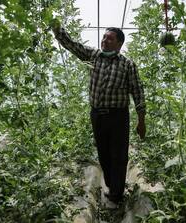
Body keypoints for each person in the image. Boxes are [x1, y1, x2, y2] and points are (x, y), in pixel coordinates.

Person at [51, 19, 146, 204]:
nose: (104, 41)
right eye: (103, 37)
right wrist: (57, 28)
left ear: (119, 44)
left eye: (109, 39)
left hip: (118, 116)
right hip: (97, 115)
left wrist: (141, 121)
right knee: (103, 153)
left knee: (119, 155)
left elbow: (138, 92)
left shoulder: (128, 65)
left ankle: (117, 194)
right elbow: (72, 45)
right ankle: (111, 184)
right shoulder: (94, 56)